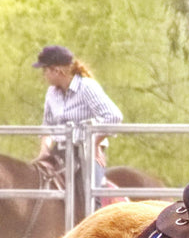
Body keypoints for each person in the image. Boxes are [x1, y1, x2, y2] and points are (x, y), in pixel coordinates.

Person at [33, 44, 124, 213]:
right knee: (35, 181)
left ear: (57, 70)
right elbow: (48, 125)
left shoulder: (87, 87)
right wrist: (44, 150)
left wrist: (95, 143)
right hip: (59, 151)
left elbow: (114, 116)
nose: (44, 75)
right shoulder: (51, 93)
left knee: (89, 194)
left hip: (85, 152)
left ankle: (93, 229)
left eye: (45, 70)